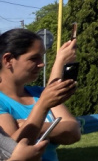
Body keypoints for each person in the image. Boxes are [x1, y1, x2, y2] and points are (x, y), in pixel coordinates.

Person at [0, 29, 80, 161]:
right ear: (8, 60)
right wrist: (43, 107)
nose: (42, 64)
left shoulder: (40, 93)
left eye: (41, 57)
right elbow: (12, 151)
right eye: (33, 58)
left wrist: (31, 125)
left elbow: (73, 132)